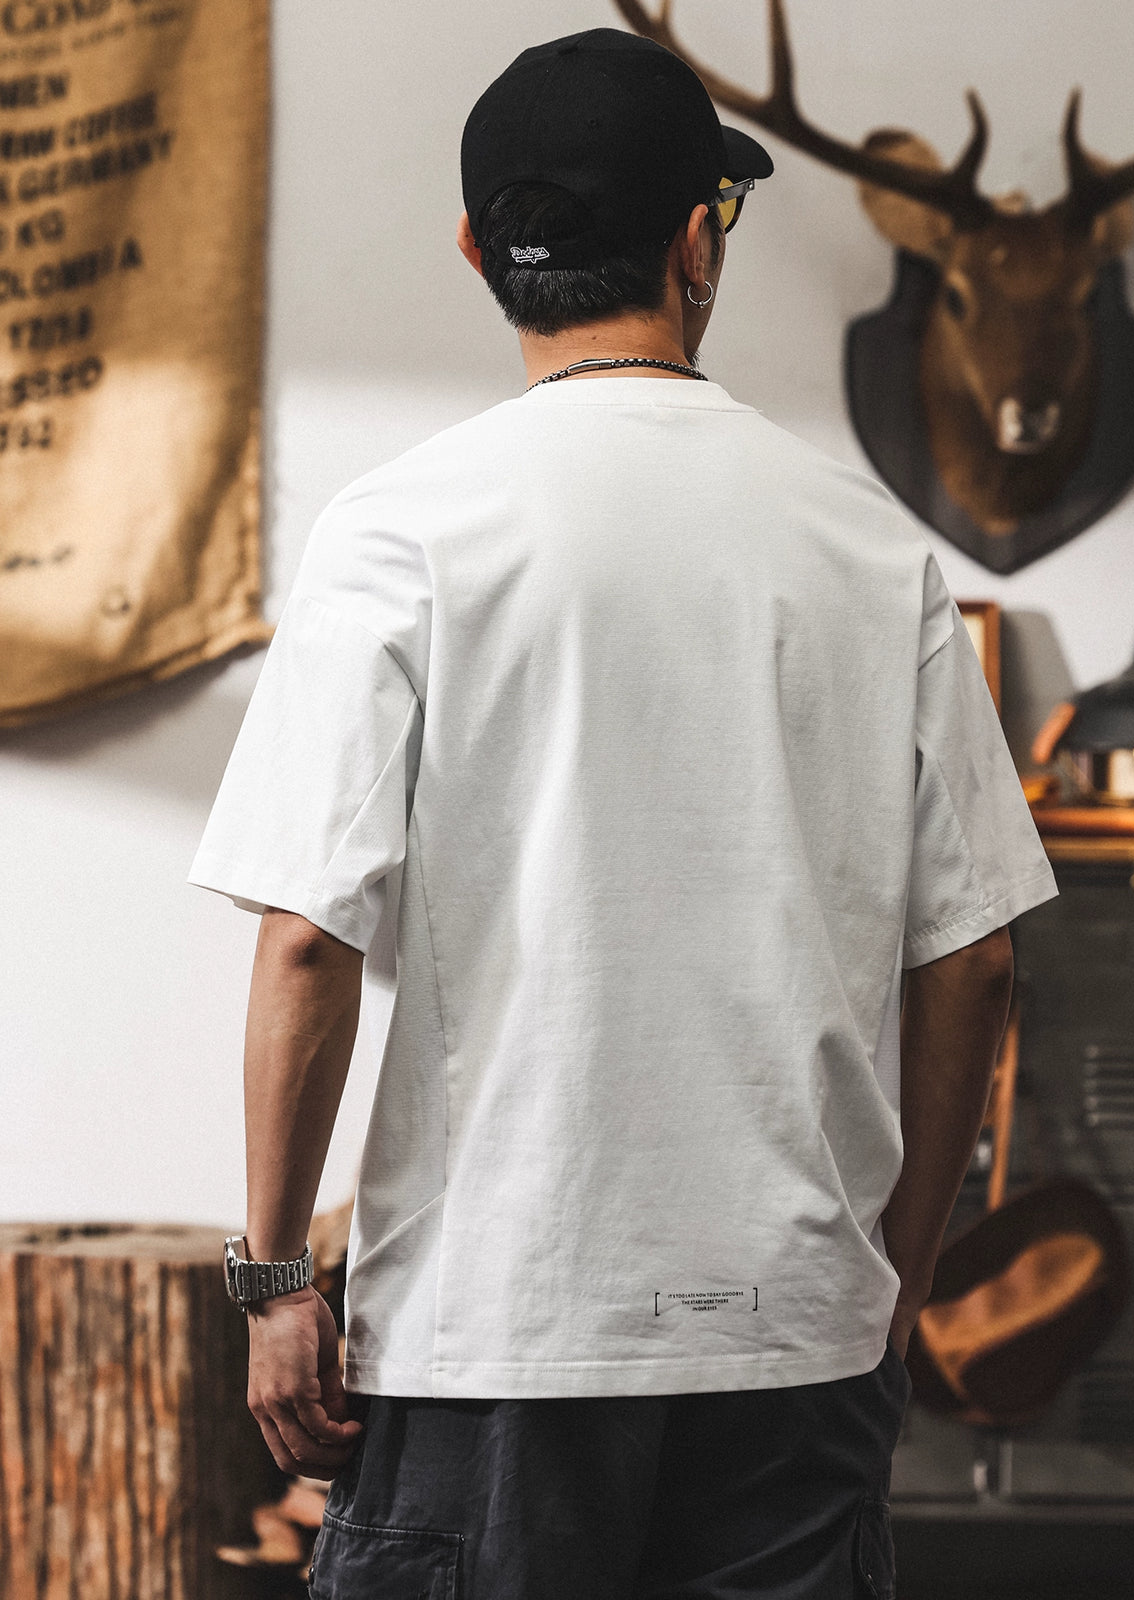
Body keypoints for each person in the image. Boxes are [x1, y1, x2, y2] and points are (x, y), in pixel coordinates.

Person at [189, 27, 1058, 1600]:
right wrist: (893, 1281)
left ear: (478, 253)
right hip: (795, 1350)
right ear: (696, 242)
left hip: (494, 1334)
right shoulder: (873, 553)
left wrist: (274, 1283)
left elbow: (307, 940)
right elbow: (977, 962)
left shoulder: (400, 533)